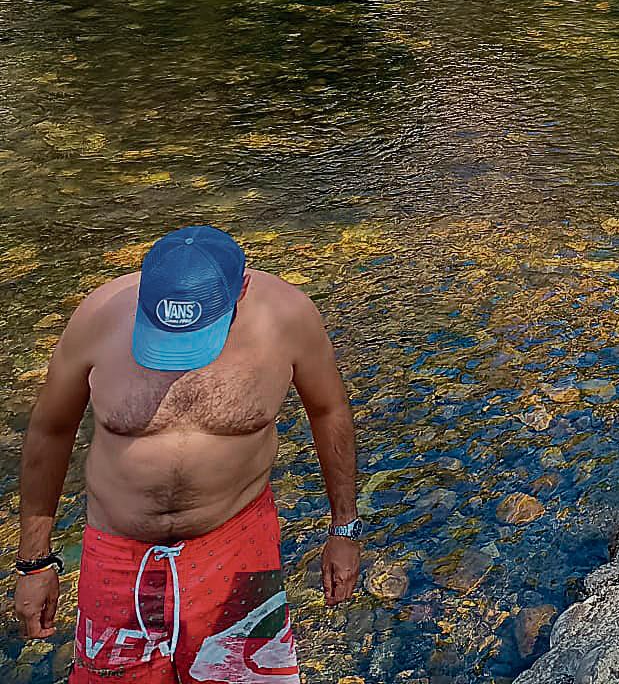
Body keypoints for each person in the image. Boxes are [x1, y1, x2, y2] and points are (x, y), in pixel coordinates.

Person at [11, 226, 360, 680]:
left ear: (241, 290)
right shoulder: (99, 316)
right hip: (118, 557)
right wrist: (34, 562)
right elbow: (49, 432)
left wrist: (344, 530)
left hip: (239, 547)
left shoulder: (286, 317)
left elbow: (329, 411)